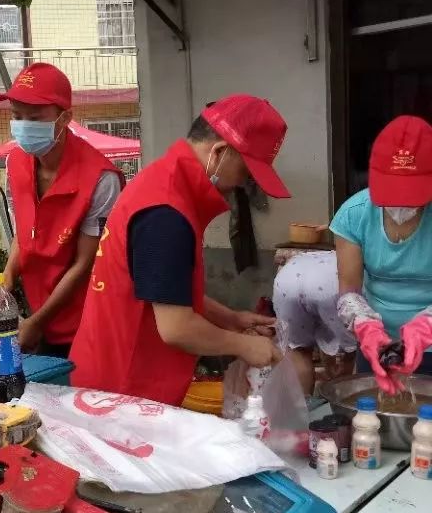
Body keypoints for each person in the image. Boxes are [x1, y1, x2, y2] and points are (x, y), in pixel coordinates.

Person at [69, 94, 288, 406]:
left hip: (110, 375)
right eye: (246, 173)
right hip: (123, 391)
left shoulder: (162, 183)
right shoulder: (167, 212)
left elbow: (165, 292)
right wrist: (242, 345)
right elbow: (177, 327)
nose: (242, 185)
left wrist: (231, 318)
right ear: (220, 153)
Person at [0, 63, 123, 358]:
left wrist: (37, 323)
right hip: (40, 316)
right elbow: (24, 235)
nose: (23, 126)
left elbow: (85, 264)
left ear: (65, 119)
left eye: (34, 118)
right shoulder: (16, 163)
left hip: (87, 322)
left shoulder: (101, 179)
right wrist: (7, 280)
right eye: (16, 116)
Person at [332, 115, 432, 395]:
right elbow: (349, 293)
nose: (400, 204)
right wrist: (367, 328)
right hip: (380, 346)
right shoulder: (354, 214)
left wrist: (425, 328)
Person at [273, 251, 356, 395]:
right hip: (332, 283)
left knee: (298, 351)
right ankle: (342, 409)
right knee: (351, 351)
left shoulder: (308, 256)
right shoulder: (351, 255)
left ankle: (302, 410)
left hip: (287, 279)